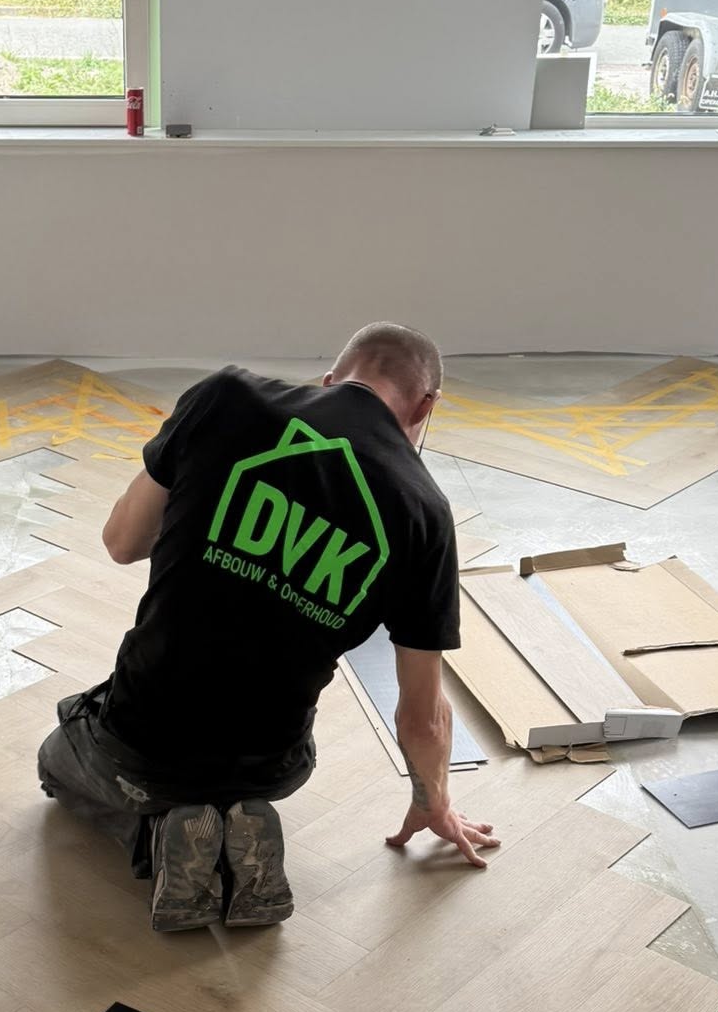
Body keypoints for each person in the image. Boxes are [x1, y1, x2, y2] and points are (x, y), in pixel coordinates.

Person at [37, 322, 501, 932]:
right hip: (271, 761)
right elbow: (423, 713)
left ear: (331, 380)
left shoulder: (225, 396)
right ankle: (234, 819)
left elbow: (122, 543)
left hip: (144, 733)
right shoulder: (425, 512)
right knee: (245, 752)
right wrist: (432, 802)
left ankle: (160, 828)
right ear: (425, 406)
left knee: (57, 760)